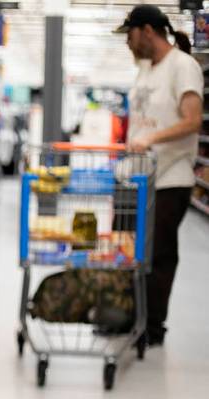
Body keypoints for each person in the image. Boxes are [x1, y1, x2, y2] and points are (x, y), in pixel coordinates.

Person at [115, 5, 203, 346]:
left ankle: (152, 327)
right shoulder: (146, 69)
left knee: (159, 254)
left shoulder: (183, 66)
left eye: (130, 35)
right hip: (137, 176)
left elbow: (192, 120)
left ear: (147, 31)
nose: (128, 43)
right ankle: (127, 316)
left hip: (170, 177)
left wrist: (151, 139)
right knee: (128, 250)